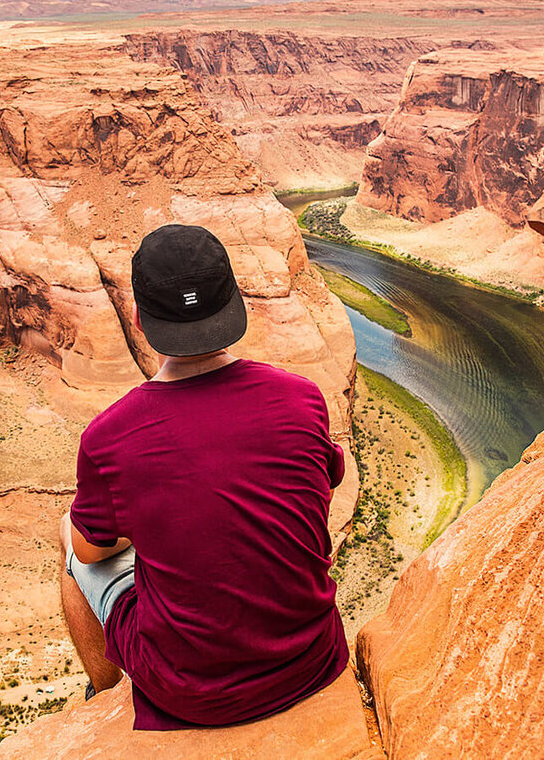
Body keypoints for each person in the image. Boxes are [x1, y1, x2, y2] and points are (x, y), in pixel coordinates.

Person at [58, 222, 348, 730]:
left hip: (195, 695)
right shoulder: (302, 397)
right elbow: (322, 485)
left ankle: (105, 695)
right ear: (234, 302)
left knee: (69, 538)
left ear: (138, 319)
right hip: (313, 659)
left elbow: (92, 552)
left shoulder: (111, 438)